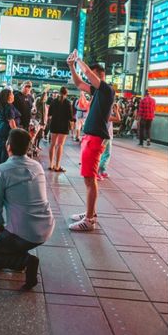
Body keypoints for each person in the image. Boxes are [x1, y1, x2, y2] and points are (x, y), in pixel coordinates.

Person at [0, 128, 55, 291]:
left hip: (22, 233)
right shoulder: (37, 166)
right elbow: (25, 191)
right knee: (9, 243)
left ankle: (24, 261)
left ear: (8, 146)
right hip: (45, 229)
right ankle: (19, 253)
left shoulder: (1, 170)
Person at [67, 51, 115, 232]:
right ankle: (90, 213)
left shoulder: (107, 90)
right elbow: (79, 83)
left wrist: (78, 59)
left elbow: (86, 75)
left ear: (100, 76)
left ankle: (89, 220)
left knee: (90, 178)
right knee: (89, 178)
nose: (91, 78)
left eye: (94, 75)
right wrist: (72, 66)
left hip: (95, 138)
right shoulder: (98, 91)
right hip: (90, 137)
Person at [48, 86, 73, 171]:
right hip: (64, 125)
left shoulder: (54, 101)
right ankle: (57, 165)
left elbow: (50, 113)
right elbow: (70, 116)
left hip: (54, 124)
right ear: (67, 93)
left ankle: (50, 164)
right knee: (60, 145)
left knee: (52, 144)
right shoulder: (68, 102)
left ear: (59, 92)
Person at [0, 88, 21, 165]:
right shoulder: (9, 106)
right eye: (12, 94)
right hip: (6, 129)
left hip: (0, 127)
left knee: (1, 147)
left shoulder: (2, 104)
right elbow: (11, 121)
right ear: (8, 96)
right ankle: (3, 166)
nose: (13, 96)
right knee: (6, 149)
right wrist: (16, 132)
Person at [98, 102, 121, 179]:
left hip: (107, 135)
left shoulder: (103, 112)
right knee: (102, 154)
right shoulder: (105, 114)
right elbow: (118, 119)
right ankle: (98, 172)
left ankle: (101, 171)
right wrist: (116, 110)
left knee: (106, 153)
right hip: (105, 135)